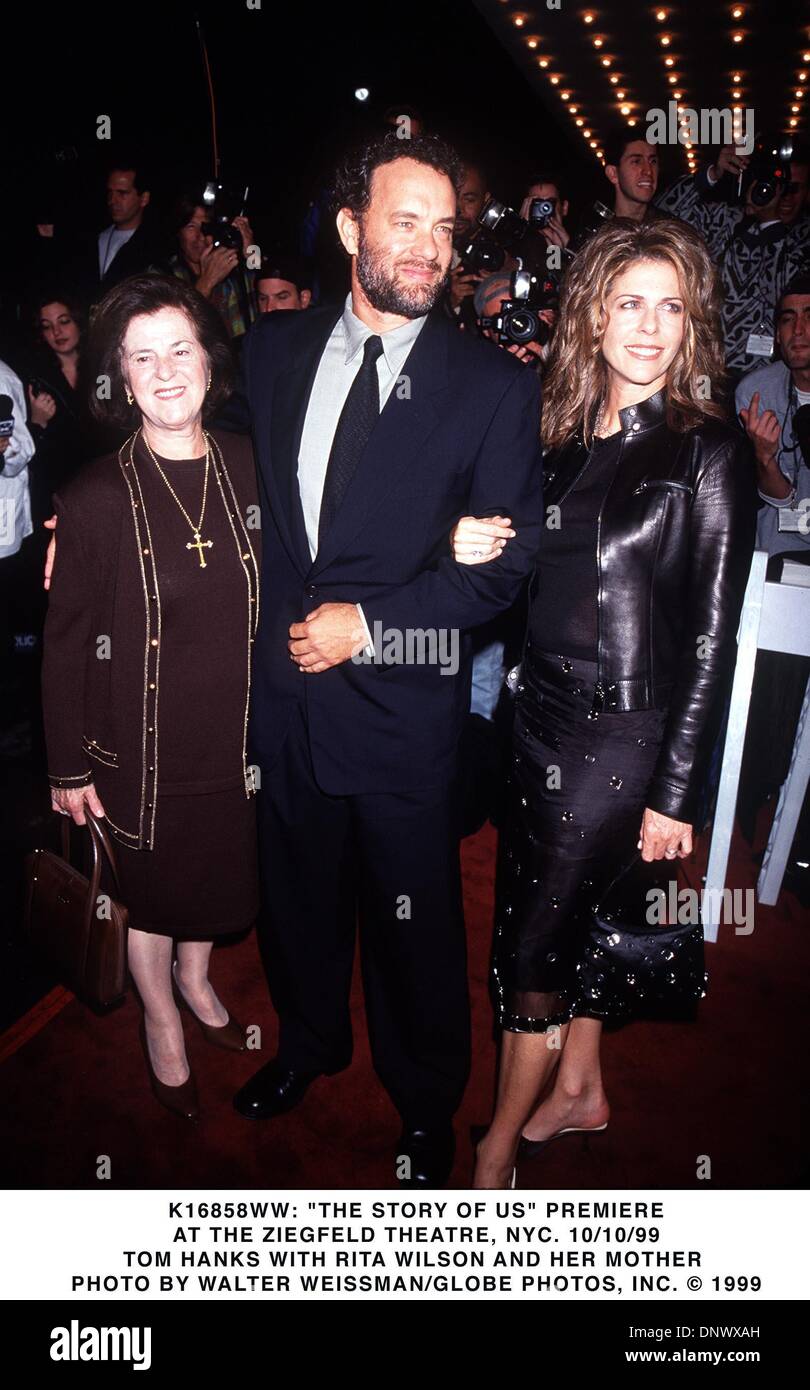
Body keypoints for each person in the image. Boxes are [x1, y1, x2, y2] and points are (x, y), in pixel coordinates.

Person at [233, 131, 543, 1188]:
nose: (428, 249)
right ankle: (309, 1042)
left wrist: (368, 625)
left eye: (445, 230)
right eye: (405, 221)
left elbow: (501, 577)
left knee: (415, 926)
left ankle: (423, 1106)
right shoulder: (273, 349)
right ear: (350, 227)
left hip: (405, 712)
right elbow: (227, 490)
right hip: (282, 703)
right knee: (297, 897)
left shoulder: (492, 388)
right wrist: (83, 527)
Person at [451, 217, 756, 1188]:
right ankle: (580, 1087)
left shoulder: (708, 452)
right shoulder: (564, 430)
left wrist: (678, 793)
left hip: (619, 736)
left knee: (532, 942)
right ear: (593, 312)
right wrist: (471, 541)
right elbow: (530, 564)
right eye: (630, 302)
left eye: (671, 307)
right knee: (578, 914)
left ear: (691, 324)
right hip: (536, 713)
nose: (650, 325)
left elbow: (713, 639)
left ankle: (496, 1151)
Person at [40, 275, 261, 1121]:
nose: (166, 371)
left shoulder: (252, 466)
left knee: (211, 885)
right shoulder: (93, 497)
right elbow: (64, 646)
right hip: (137, 749)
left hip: (236, 745)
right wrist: (66, 765)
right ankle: (161, 1019)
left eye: (181, 350)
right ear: (121, 380)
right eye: (143, 357)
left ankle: (199, 982)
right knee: (153, 898)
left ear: (210, 363)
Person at [656, 140, 810, 380]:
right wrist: (712, 174)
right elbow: (663, 211)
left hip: (767, 377)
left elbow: (783, 293)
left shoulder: (803, 239)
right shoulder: (725, 220)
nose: (782, 195)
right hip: (707, 371)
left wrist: (771, 223)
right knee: (701, 415)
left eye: (792, 188)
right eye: (772, 185)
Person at [168, 194, 258, 343]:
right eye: (191, 227)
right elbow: (172, 326)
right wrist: (206, 281)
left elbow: (260, 285)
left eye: (206, 226)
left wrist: (252, 248)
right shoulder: (164, 274)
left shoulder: (229, 262)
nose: (200, 236)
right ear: (178, 232)